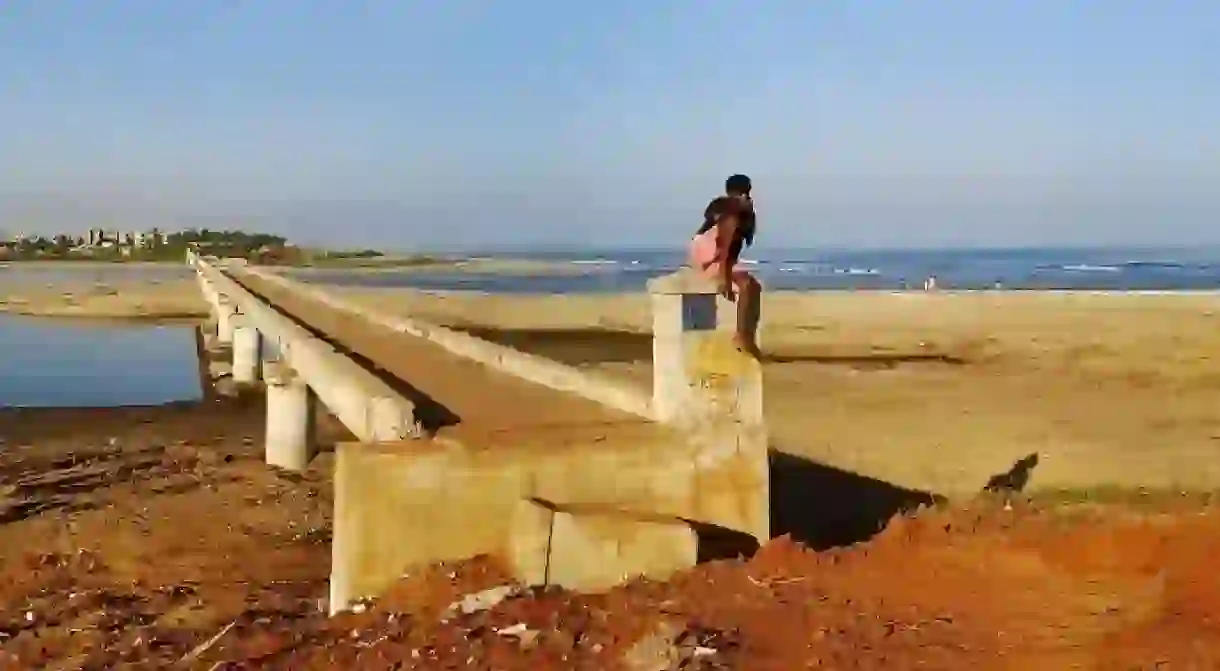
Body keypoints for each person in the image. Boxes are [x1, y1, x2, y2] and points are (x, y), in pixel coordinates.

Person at [688, 173, 762, 357]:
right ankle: (742, 336)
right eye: (746, 192)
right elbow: (726, 237)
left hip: (704, 248)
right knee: (747, 285)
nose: (748, 196)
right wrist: (724, 275)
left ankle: (745, 335)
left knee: (752, 285)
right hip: (713, 250)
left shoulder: (723, 205)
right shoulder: (736, 208)